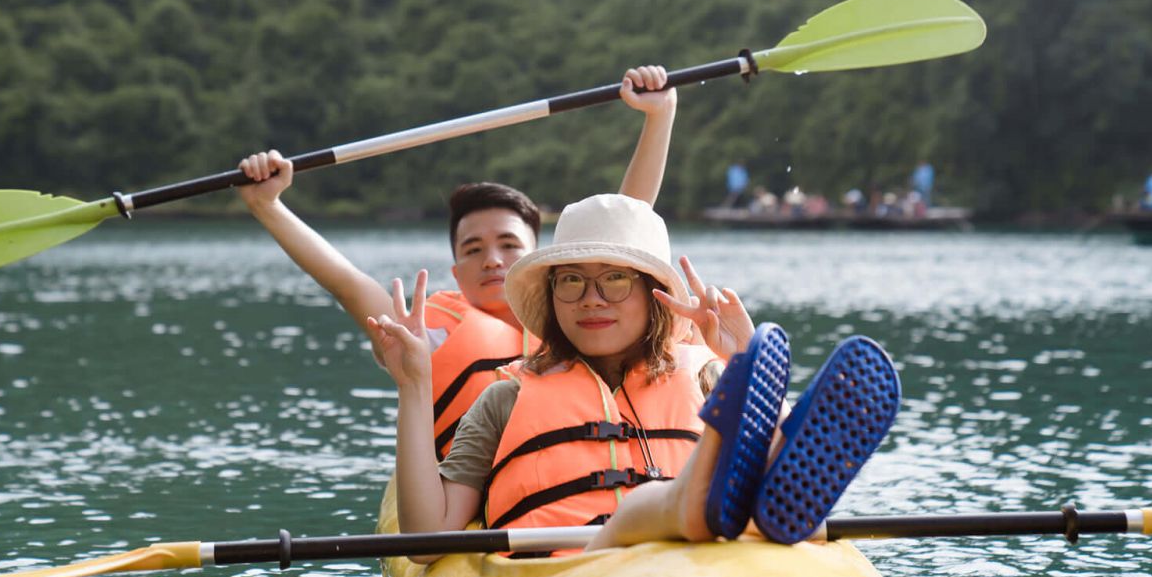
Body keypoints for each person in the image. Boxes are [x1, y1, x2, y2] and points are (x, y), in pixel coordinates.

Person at [369, 193, 901, 557]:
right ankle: (686, 499)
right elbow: (426, 543)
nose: (591, 300)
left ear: (655, 296)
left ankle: (752, 450)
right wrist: (415, 386)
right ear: (552, 298)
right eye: (572, 280)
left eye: (616, 279)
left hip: (705, 566)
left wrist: (739, 363)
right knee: (638, 513)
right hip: (571, 573)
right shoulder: (504, 400)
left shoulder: (707, 375)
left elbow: (799, 494)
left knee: (762, 457)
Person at [236, 67, 678, 457]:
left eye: (509, 245)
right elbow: (347, 283)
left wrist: (659, 115)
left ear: (546, 262)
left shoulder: (585, 314)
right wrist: (268, 206)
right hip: (473, 489)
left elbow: (625, 222)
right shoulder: (424, 333)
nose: (492, 260)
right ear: (456, 272)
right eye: (472, 249)